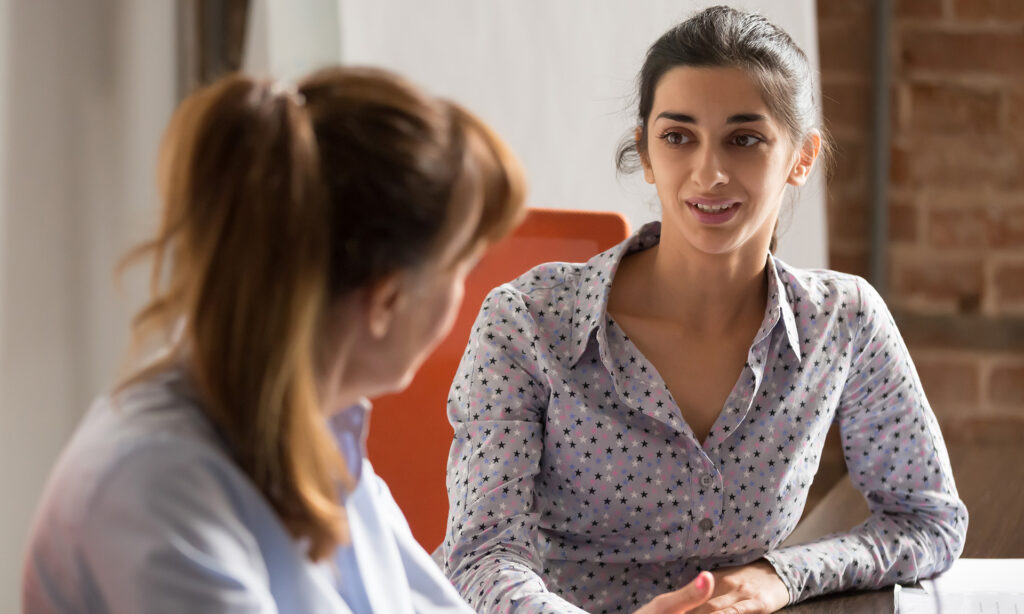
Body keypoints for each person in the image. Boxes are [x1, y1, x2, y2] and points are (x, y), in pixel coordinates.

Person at [21, 65, 720, 614]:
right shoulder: (156, 488)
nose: (468, 295)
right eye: (460, 268)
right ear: (387, 297)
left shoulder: (319, 432)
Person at [442, 6, 968, 613]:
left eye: (744, 139)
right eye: (677, 137)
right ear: (645, 151)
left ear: (801, 157)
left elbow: (927, 521)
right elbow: (482, 555)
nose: (709, 173)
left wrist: (780, 575)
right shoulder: (526, 322)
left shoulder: (843, 322)